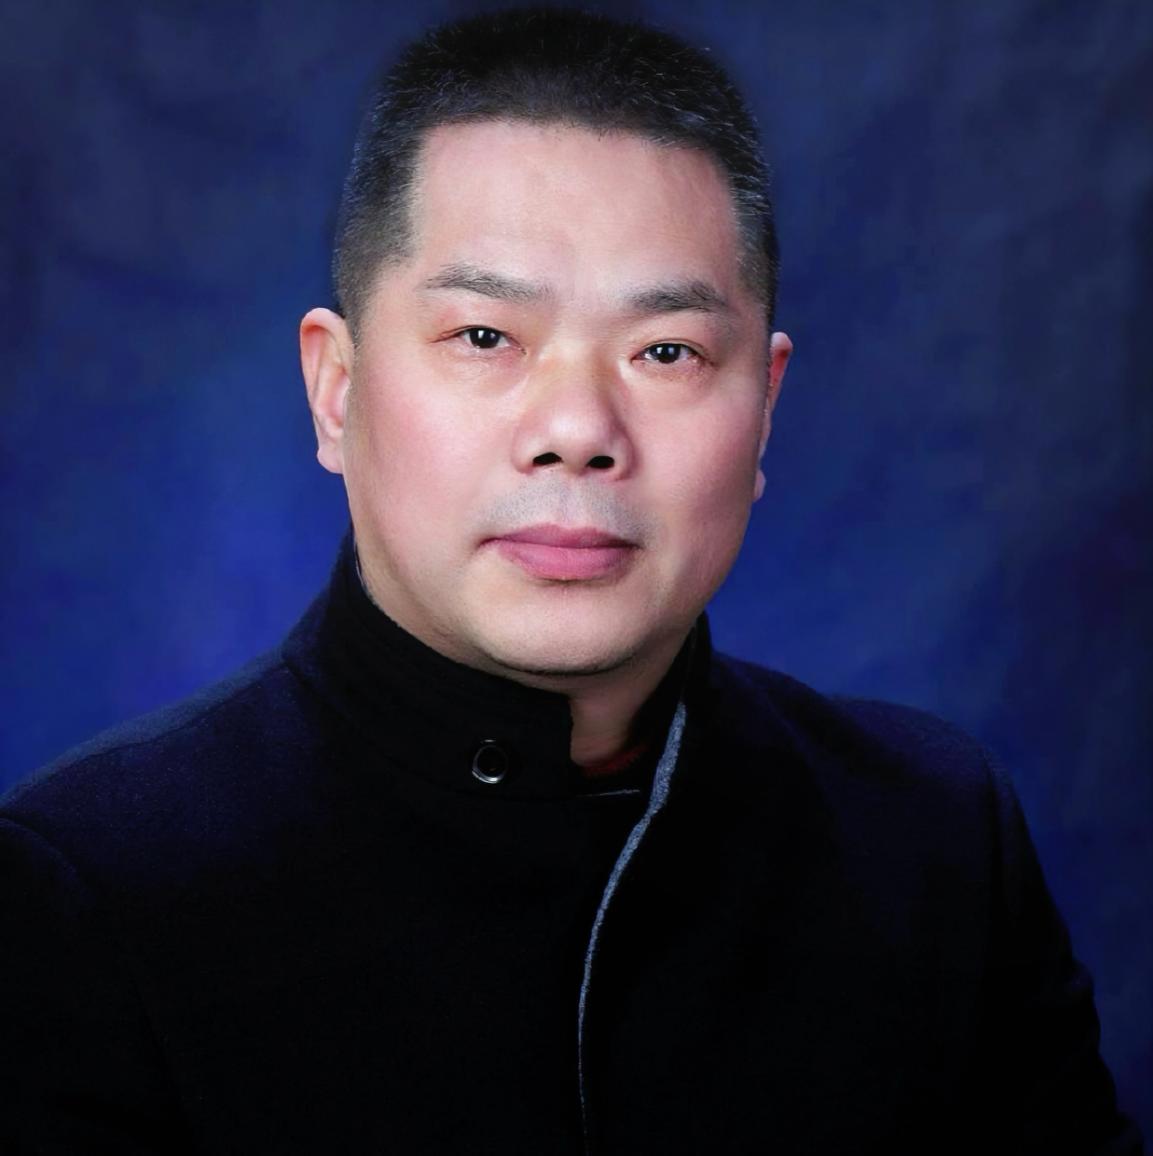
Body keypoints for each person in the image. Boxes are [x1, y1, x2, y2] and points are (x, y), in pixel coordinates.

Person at [0, 8, 1141, 1153]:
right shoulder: (87, 893)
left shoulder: (934, 846)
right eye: (484, 337)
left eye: (665, 352)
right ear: (335, 390)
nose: (577, 430)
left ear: (764, 411)